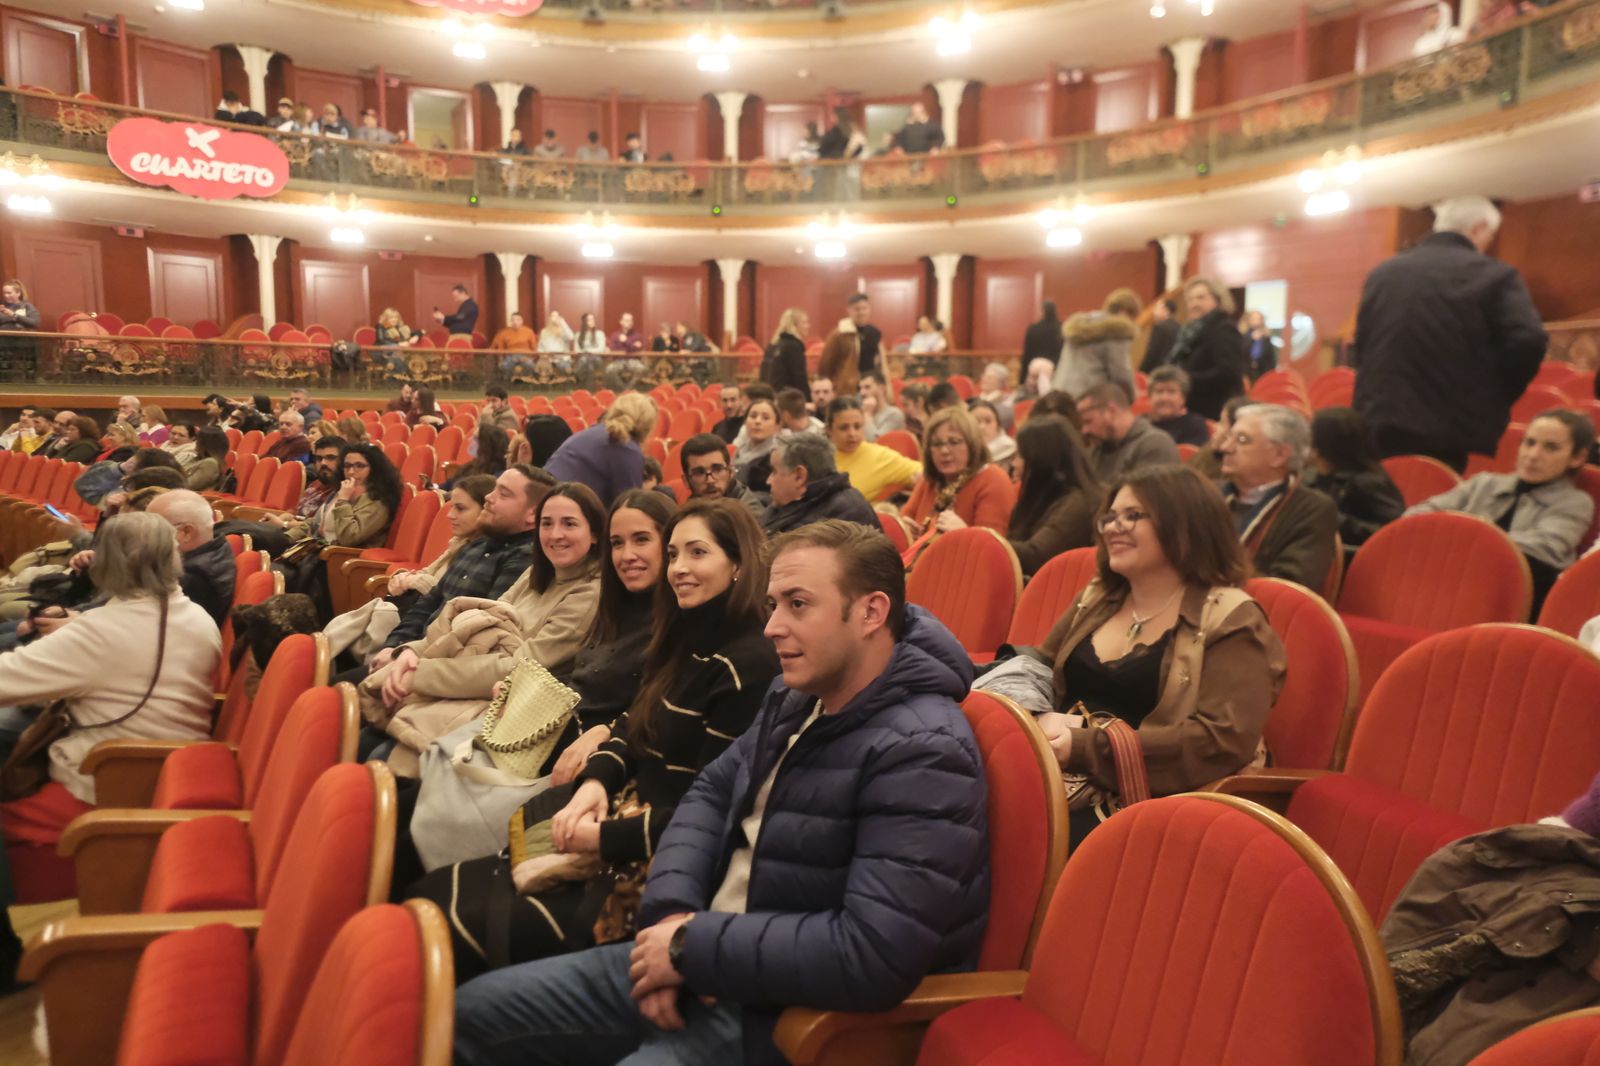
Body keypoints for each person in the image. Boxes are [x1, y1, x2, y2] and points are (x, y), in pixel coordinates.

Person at [451, 520, 990, 1066]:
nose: (773, 626)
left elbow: (870, 952)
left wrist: (690, 950)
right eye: (773, 603)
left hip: (781, 1015)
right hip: (704, 951)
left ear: (872, 613)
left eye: (798, 605)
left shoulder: (925, 751)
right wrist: (670, 923)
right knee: (466, 1015)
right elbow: (708, 795)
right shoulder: (796, 695)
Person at [412, 498, 778, 981]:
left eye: (697, 553)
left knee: (436, 923)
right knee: (430, 890)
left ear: (737, 565)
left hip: (646, 869)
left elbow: (708, 814)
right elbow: (635, 724)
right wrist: (596, 784)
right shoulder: (687, 634)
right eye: (675, 554)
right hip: (615, 810)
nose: (679, 568)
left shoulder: (745, 665)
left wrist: (601, 837)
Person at [1015, 464, 1285, 846]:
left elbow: (1219, 742)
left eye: (1133, 516)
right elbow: (1039, 666)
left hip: (1151, 798)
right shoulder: (1098, 597)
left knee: (1014, 832)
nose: (1112, 527)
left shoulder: (1231, 618)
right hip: (1057, 767)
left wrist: (1085, 747)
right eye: (1109, 517)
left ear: (1185, 524)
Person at [0, 513, 221, 870]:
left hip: (107, 777)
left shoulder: (101, 632)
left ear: (106, 564)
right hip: (164, 769)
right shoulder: (198, 617)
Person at [364, 482, 604, 770]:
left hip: (504, 708)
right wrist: (407, 653)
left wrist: (418, 675)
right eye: (547, 523)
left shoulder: (589, 594)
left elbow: (517, 667)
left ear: (595, 535)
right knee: (359, 721)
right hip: (466, 680)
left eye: (569, 524)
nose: (555, 534)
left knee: (377, 753)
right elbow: (475, 624)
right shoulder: (537, 573)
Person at [1353, 196, 1547, 472]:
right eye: (1489, 237)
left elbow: (1361, 345)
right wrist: (1496, 392)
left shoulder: (1383, 273)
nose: (1485, 246)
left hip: (1377, 415)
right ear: (1479, 229)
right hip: (1447, 422)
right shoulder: (1494, 275)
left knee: (1382, 504)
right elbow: (1529, 341)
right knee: (1432, 501)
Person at [362, 466, 550, 673]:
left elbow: (475, 635)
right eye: (494, 489)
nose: (489, 497)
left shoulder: (524, 558)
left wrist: (410, 656)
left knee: (340, 694)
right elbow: (427, 604)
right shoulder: (476, 544)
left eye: (503, 494)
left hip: (438, 668)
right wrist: (393, 646)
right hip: (412, 652)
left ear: (533, 514)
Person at [1406, 409, 1596, 612]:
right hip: (1446, 582)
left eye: (1551, 448)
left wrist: (1463, 537)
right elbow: (1417, 516)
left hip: (1513, 598)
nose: (1533, 455)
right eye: (1529, 442)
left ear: (1577, 457)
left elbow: (1547, 547)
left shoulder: (1575, 502)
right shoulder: (1483, 483)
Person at [1217, 404, 1340, 591]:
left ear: (1279, 455)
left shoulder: (1311, 509)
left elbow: (1288, 586)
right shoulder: (1208, 493)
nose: (1225, 447)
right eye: (1228, 438)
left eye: (1242, 440)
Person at [1005, 416, 1101, 576]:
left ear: (1042, 460)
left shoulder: (1076, 504)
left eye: (1020, 456)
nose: (1014, 464)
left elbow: (1036, 556)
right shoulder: (1040, 497)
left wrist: (983, 541)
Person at [902, 405, 1017, 536]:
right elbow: (905, 517)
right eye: (937, 444)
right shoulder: (930, 480)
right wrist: (904, 529)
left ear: (972, 444)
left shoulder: (993, 479)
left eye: (954, 442)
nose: (944, 451)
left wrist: (963, 534)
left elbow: (994, 548)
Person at [1305, 407, 1406, 549]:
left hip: (1355, 559)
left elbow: (1397, 531)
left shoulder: (1368, 482)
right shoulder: (1312, 477)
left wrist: (1339, 522)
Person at [544, 393, 656, 506]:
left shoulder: (591, 432)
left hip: (546, 498)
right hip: (562, 506)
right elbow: (628, 507)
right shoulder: (627, 447)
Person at [145, 489, 236, 627]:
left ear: (187, 532)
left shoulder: (193, 578)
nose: (145, 538)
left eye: (154, 530)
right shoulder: (215, 546)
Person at [761, 432, 879, 535]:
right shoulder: (787, 503)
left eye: (774, 471)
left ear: (799, 476)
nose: (768, 480)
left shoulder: (838, 520)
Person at [1168, 277, 1248, 421]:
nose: (1194, 304)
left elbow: (1228, 373)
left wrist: (1186, 379)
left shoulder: (1224, 329)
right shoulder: (1190, 331)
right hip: (1193, 407)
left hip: (1215, 410)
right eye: (1190, 299)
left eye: (1201, 298)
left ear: (1218, 300)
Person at [1076, 382, 1181, 483]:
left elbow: (1141, 498)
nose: (1084, 430)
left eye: (1088, 421)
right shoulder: (1098, 446)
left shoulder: (1156, 445)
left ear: (1111, 411)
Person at [828, 396, 923, 504]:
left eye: (857, 426)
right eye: (844, 428)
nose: (852, 434)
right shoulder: (819, 458)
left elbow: (922, 473)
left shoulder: (879, 456)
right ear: (829, 430)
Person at [1055, 292, 1138, 400]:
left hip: (1059, 393)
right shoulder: (1117, 332)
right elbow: (1121, 375)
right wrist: (1131, 399)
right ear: (1125, 312)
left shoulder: (1078, 327)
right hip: (1089, 398)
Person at [817, 293, 883, 399]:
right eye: (857, 309)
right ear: (848, 311)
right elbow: (825, 365)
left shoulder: (875, 333)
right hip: (848, 389)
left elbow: (879, 362)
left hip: (871, 387)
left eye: (864, 308)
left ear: (869, 309)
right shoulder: (839, 334)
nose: (861, 312)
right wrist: (835, 386)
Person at [681, 433, 763, 516]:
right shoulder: (686, 513)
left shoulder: (749, 514)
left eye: (717, 470)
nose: (710, 480)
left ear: (731, 471)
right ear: (686, 481)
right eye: (699, 473)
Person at [1147, 366, 1211, 447]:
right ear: (1150, 396)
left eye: (1171, 392)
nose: (1164, 398)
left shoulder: (1194, 426)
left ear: (1183, 398)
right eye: (1159, 391)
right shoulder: (1141, 421)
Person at [731, 397, 783, 495]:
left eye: (766, 418)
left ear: (777, 426)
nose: (757, 421)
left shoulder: (777, 457)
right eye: (753, 416)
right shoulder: (738, 451)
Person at [761, 308, 810, 398]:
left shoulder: (773, 344)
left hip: (770, 396)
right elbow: (799, 377)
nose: (808, 326)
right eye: (804, 322)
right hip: (786, 399)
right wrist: (808, 399)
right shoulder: (793, 346)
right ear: (795, 325)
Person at [970, 399, 1016, 472]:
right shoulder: (963, 454)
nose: (982, 427)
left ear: (998, 425)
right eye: (977, 421)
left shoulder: (1011, 450)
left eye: (988, 421)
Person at [1140, 295, 1181, 372]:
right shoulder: (1180, 327)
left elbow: (1152, 354)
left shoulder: (1159, 327)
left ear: (1165, 310)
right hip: (1173, 371)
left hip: (1158, 372)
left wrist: (1141, 370)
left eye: (1157, 308)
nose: (1154, 312)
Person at [859, 372, 905, 440]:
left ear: (881, 388)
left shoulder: (894, 414)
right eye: (860, 388)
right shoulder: (859, 413)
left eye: (867, 387)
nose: (862, 393)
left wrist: (867, 414)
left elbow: (877, 442)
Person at [185, 426, 230, 492]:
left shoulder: (210, 463)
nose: (195, 443)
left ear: (205, 444)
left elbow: (188, 486)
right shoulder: (198, 458)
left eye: (197, 440)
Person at [1240, 310, 1280, 383]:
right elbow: (1241, 353)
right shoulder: (1244, 336)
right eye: (1254, 319)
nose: (1256, 322)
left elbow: (1271, 357)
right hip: (1247, 373)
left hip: (1263, 372)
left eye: (1259, 319)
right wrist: (1251, 339)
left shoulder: (1266, 337)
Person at [1023, 299, 1063, 368]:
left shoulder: (1033, 329)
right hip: (1057, 368)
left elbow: (1027, 354)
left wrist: (1023, 377)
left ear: (1042, 311)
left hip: (1037, 367)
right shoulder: (1062, 328)